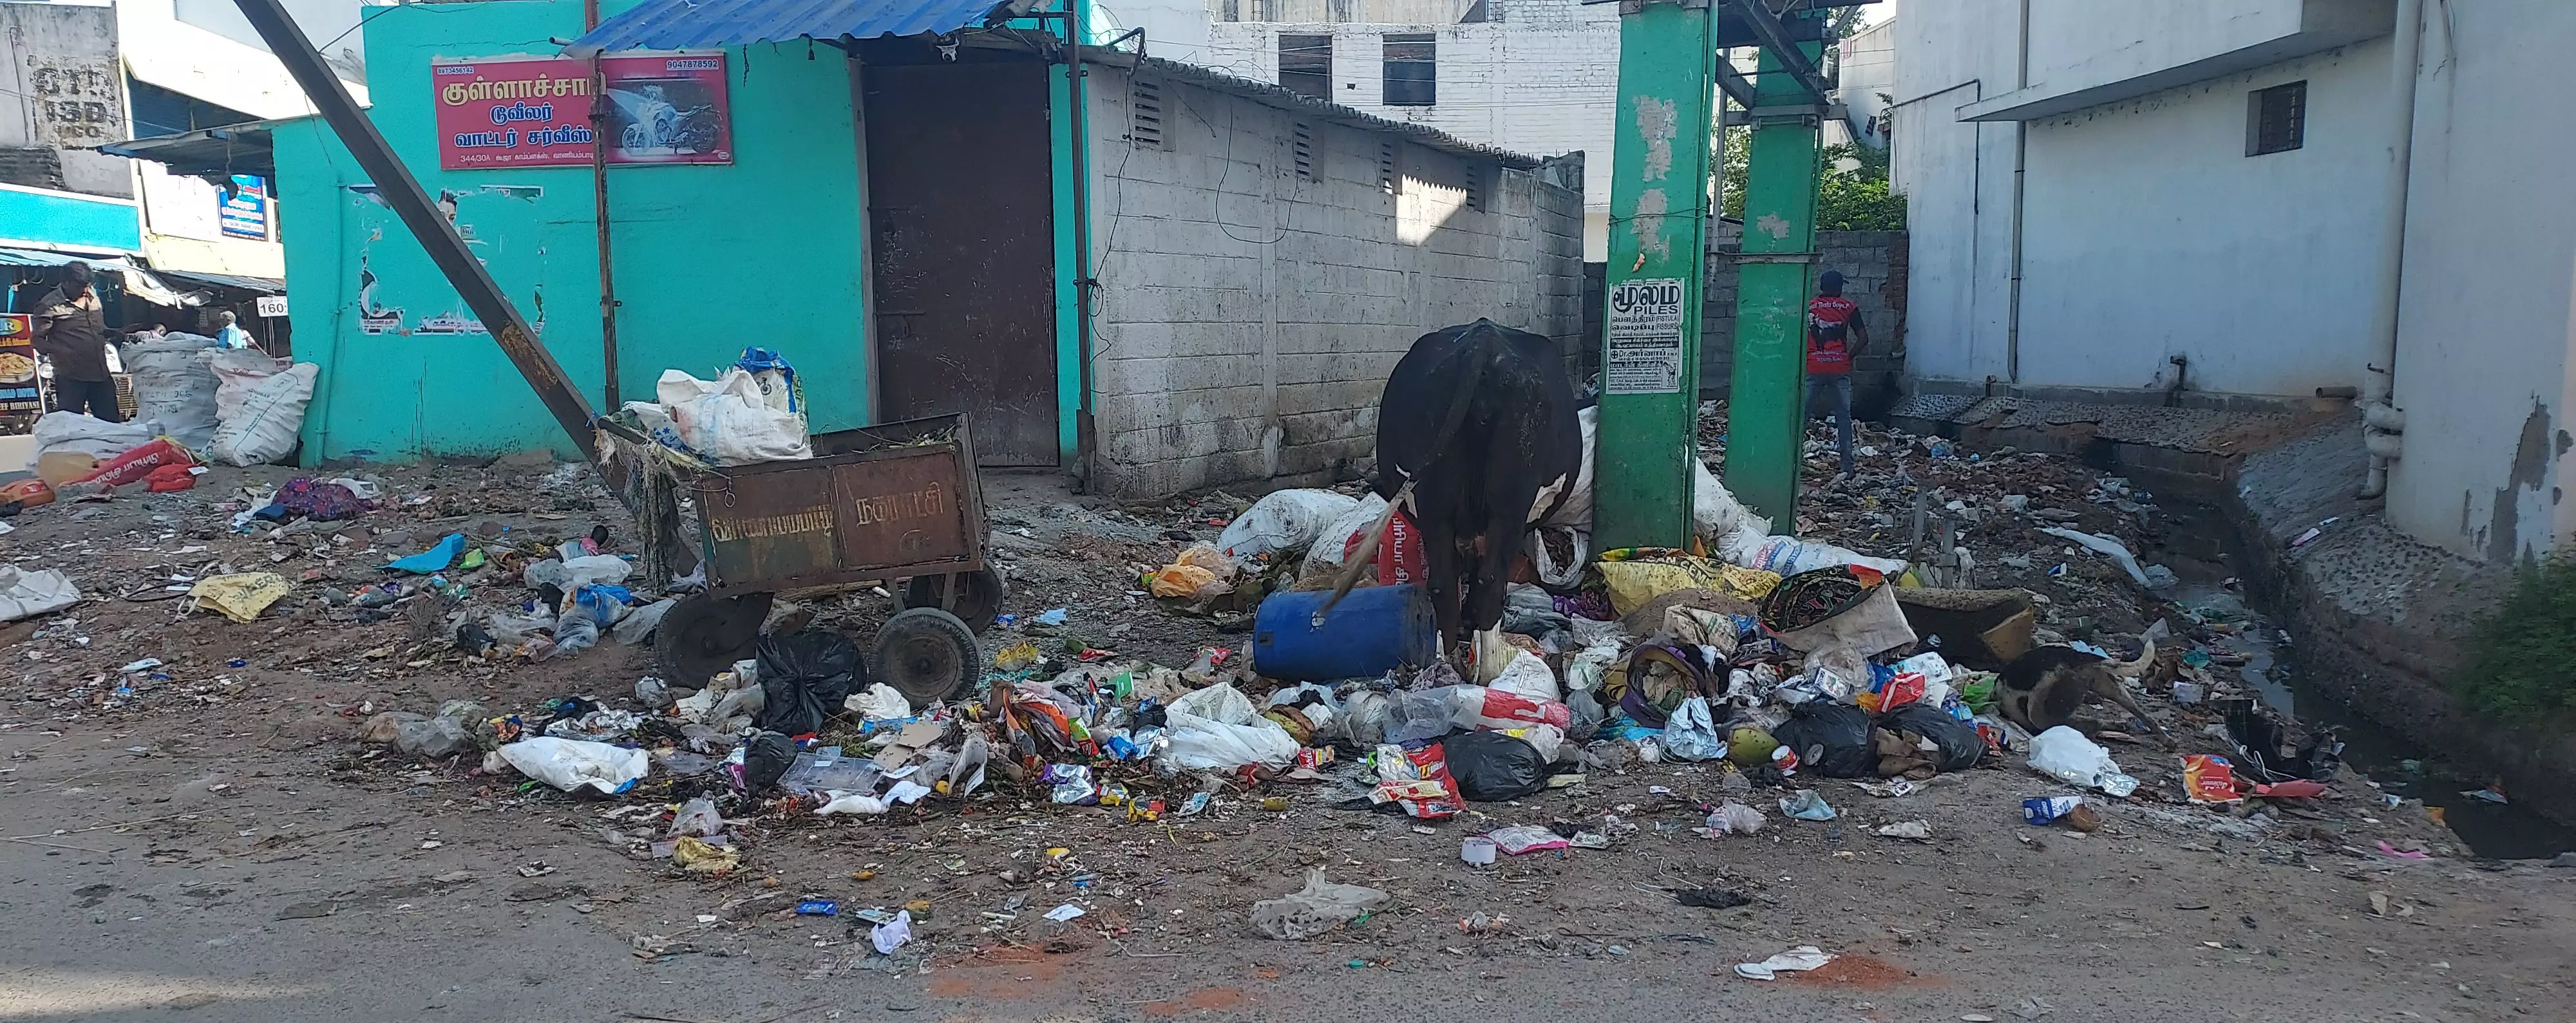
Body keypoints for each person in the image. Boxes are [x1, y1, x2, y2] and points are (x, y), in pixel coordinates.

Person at [30, 261, 123, 422]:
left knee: (111, 424)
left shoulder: (94, 299)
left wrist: (118, 332)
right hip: (71, 378)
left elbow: (100, 330)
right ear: (66, 283)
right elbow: (36, 341)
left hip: (101, 374)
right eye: (81, 286)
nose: (86, 290)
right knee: (72, 427)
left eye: (88, 285)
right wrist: (61, 350)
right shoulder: (49, 306)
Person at [1804, 268, 1870, 482]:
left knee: (1802, 418)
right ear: (1839, 288)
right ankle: (1847, 466)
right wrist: (1847, 357)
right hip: (1839, 368)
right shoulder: (1849, 307)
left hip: (1813, 368)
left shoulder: (1810, 306)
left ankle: (1793, 464)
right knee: (1843, 418)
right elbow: (1863, 338)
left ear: (1822, 287)